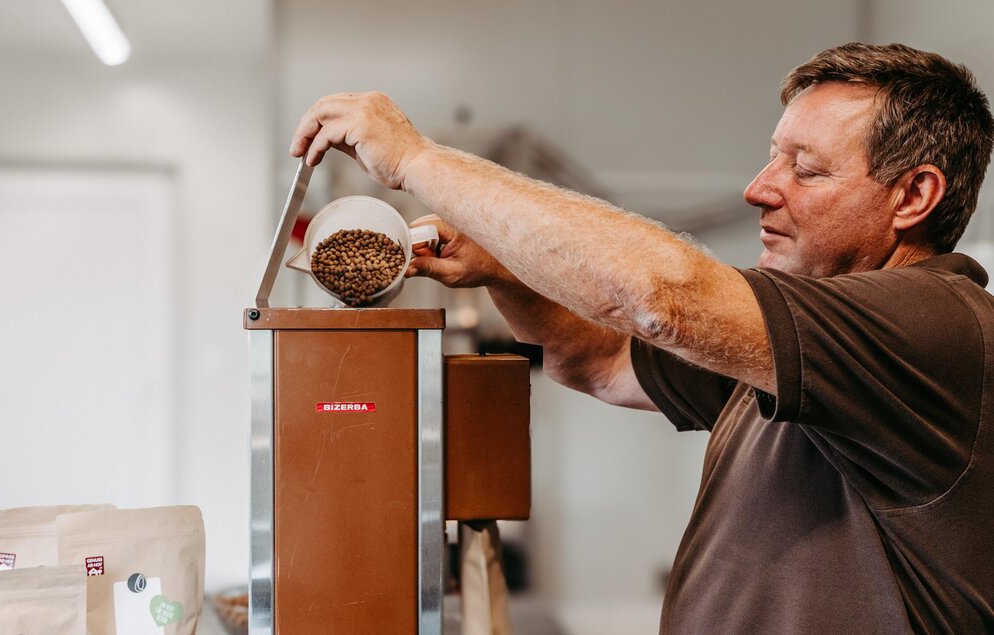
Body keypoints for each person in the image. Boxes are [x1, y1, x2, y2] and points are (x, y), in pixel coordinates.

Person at [290, 42, 994, 633]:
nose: (758, 188)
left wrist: (415, 159)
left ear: (913, 197)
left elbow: (663, 297)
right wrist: (505, 272)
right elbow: (599, 358)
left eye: (805, 169)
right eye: (772, 158)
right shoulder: (795, 348)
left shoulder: (934, 327)